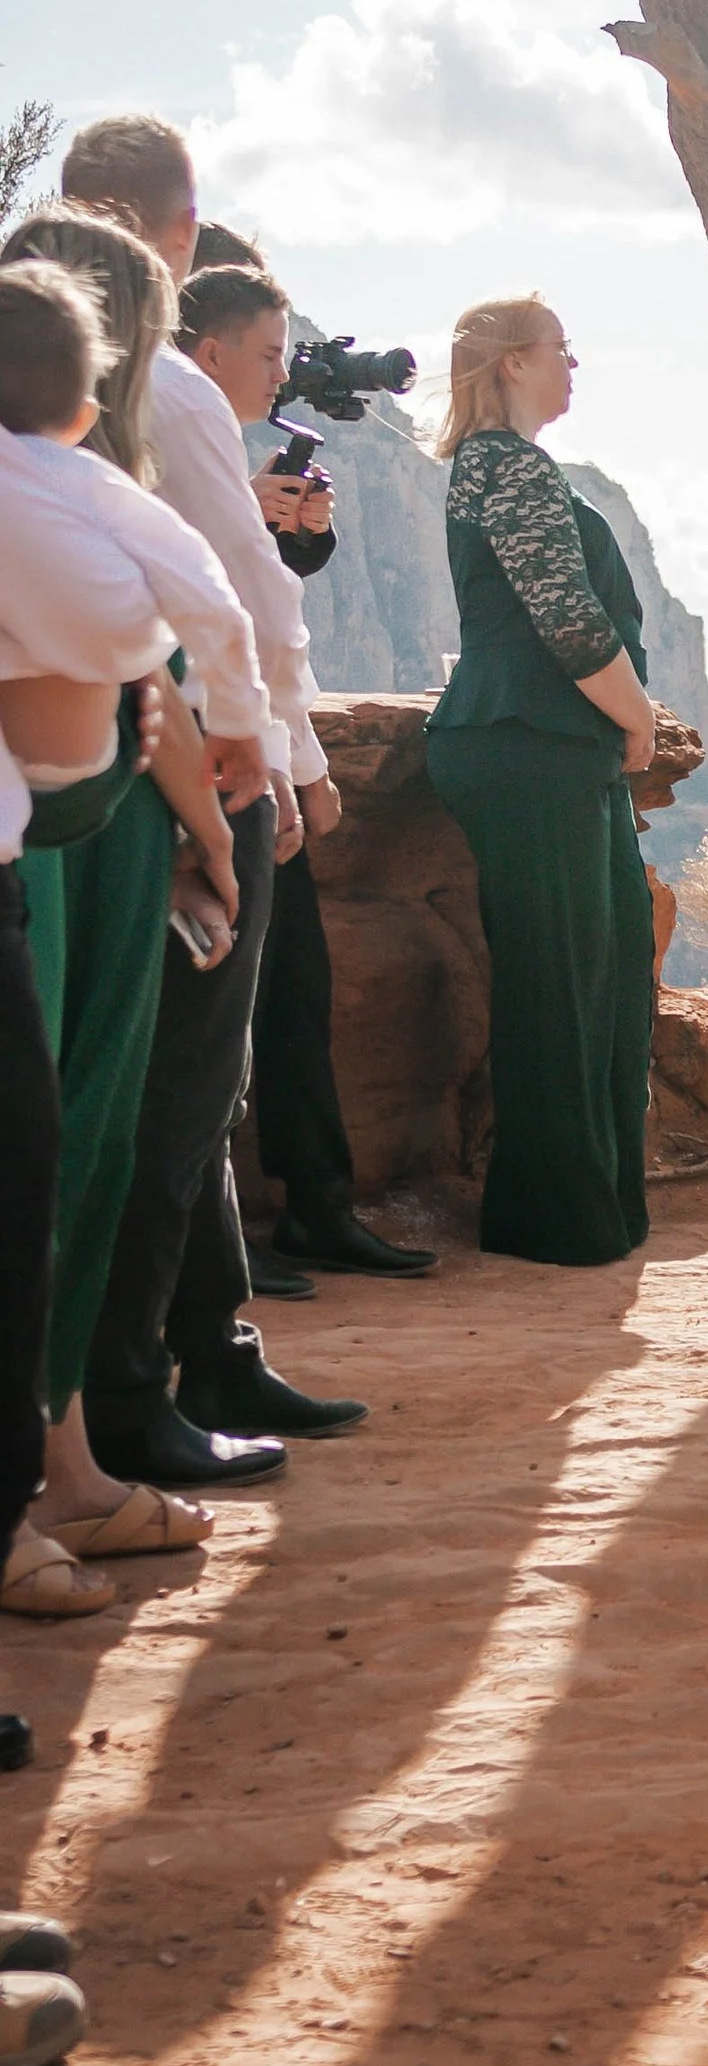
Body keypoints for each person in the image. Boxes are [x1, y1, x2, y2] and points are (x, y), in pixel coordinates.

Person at [48, 129, 365, 1478]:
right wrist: (282, 761)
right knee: (170, 1090)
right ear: (176, 233)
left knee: (158, 1089)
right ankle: (127, 1396)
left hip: (91, 785)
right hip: (168, 783)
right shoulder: (163, 398)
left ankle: (189, 1357)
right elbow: (233, 604)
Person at [0, 234, 266, 1584]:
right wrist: (219, 820)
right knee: (53, 1149)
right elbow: (146, 667)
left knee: (62, 1152)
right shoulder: (67, 498)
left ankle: (64, 1469)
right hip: (62, 845)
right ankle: (44, 1487)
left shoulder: (65, 493)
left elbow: (146, 677)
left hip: (87, 822)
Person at [177, 253, 435, 1289]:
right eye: (272, 354)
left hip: (255, 750)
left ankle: (316, 1209)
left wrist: (296, 536)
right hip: (213, 756)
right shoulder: (178, 434)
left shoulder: (217, 449)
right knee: (224, 1020)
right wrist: (302, 765)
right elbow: (231, 617)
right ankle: (226, 1247)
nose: (283, 374)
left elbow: (263, 597)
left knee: (293, 995)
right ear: (212, 350)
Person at [426, 295, 658, 1265]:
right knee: (560, 979)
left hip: (554, 749)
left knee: (602, 976)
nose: (574, 365)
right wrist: (639, 718)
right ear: (511, 364)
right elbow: (566, 623)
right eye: (560, 350)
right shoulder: (500, 466)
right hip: (527, 746)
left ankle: (590, 1208)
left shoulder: (514, 467)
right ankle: (552, 1222)